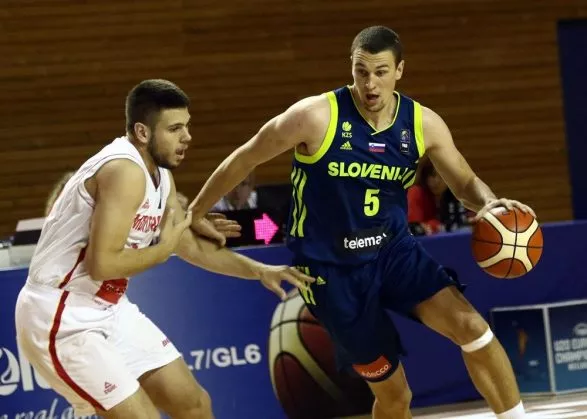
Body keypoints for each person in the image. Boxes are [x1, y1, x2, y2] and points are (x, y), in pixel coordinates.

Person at [189, 26, 535, 419]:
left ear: (399, 70)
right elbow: (245, 157)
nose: (370, 84)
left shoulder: (422, 123)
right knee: (396, 397)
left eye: (381, 72)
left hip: (394, 253)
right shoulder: (314, 116)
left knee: (473, 328)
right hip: (332, 272)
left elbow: (464, 181)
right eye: (361, 71)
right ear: (351, 68)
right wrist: (195, 212)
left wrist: (488, 203)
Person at [14, 79, 313, 419]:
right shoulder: (123, 171)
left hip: (109, 307)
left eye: (186, 126)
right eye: (174, 129)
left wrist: (258, 270)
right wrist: (164, 247)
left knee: (194, 405)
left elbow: (189, 246)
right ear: (142, 132)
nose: (187, 137)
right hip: (62, 313)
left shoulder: (161, 176)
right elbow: (103, 264)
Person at [407, 158, 470, 235]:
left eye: (442, 176)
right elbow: (414, 228)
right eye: (432, 175)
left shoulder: (454, 195)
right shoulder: (415, 193)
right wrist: (435, 225)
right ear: (425, 176)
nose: (436, 181)